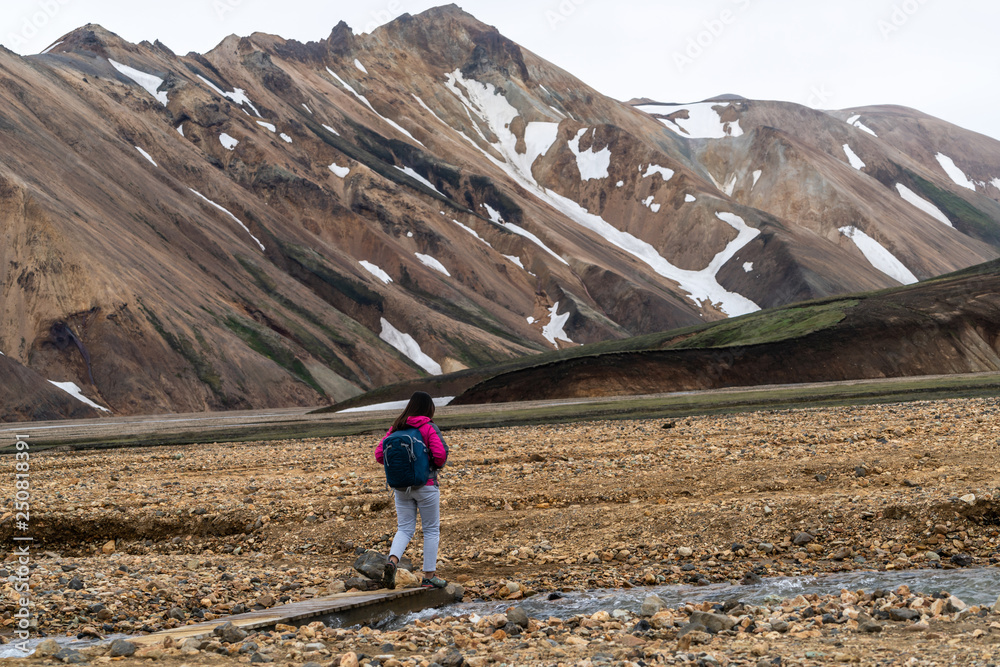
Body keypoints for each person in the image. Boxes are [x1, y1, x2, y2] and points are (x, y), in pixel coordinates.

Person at [375, 391, 448, 589]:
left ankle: (392, 562)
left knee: (404, 529)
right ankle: (429, 576)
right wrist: (427, 463)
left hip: (401, 487)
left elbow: (379, 455)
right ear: (428, 409)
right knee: (431, 530)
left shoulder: (396, 427)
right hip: (426, 485)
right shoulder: (428, 427)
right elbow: (440, 456)